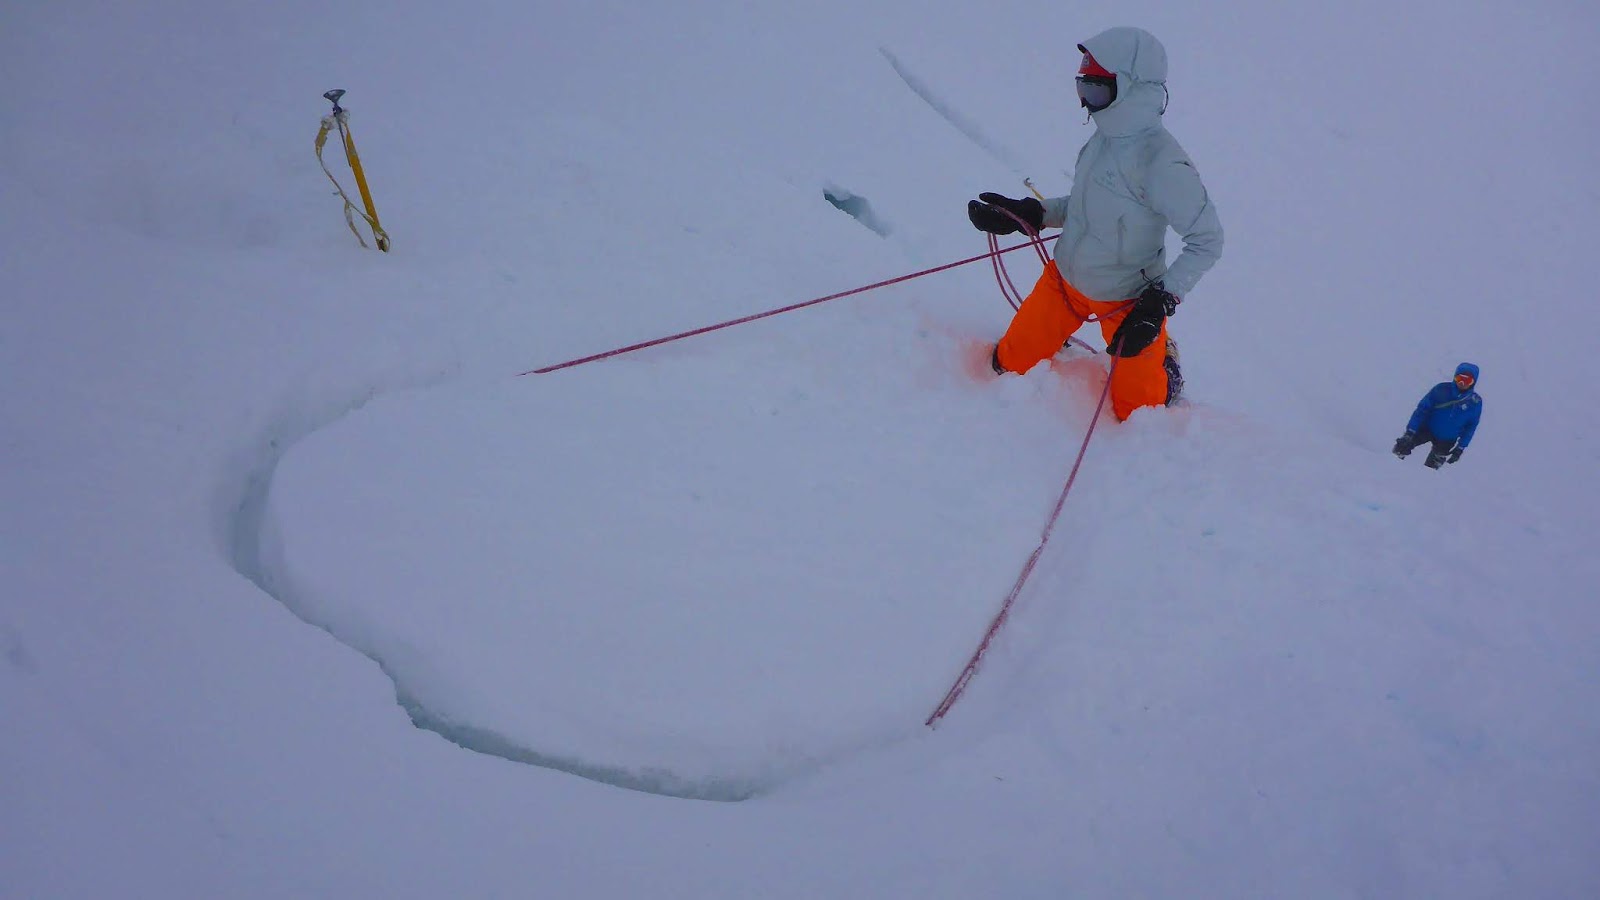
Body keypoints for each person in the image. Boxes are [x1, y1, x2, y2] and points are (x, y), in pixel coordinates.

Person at [967, 26, 1223, 421]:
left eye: (1098, 92)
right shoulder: (1101, 142)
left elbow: (1207, 240)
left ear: (1133, 89)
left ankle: (1166, 361)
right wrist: (1032, 214)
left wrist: (1160, 302)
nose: (1088, 105)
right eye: (1082, 89)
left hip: (1127, 300)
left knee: (1138, 414)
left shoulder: (1163, 164)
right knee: (1007, 364)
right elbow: (1085, 206)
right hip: (1065, 281)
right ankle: (1056, 331)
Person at [1393, 363, 1482, 469]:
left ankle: (1421, 483)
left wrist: (1460, 447)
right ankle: (1389, 470)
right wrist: (1410, 432)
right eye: (1459, 379)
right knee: (1401, 449)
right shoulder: (1441, 390)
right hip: (1427, 429)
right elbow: (1421, 410)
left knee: (1430, 472)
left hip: (1447, 440)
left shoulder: (1475, 403)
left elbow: (1471, 427)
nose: (1462, 383)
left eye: (1467, 381)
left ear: (1473, 382)